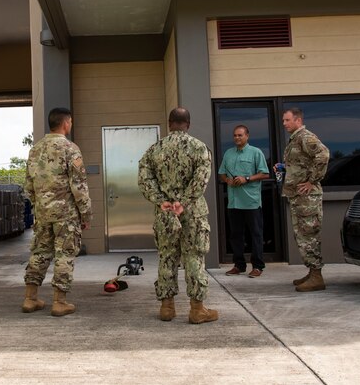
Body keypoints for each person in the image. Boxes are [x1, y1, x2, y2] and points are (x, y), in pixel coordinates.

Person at [138, 107, 218, 324]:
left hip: (164, 214)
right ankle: (197, 309)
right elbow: (201, 180)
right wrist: (183, 203)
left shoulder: (154, 149)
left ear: (169, 123)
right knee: (194, 256)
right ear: (188, 124)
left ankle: (167, 307)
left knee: (167, 256)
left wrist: (161, 200)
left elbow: (144, 179)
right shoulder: (199, 147)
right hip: (192, 213)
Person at [22, 107, 92, 317]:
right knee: (65, 255)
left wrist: (38, 206)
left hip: (43, 213)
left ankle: (30, 298)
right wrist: (85, 214)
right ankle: (59, 302)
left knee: (39, 253)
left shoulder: (35, 150)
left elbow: (28, 185)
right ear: (66, 123)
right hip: (66, 215)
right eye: (70, 122)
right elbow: (79, 186)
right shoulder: (70, 149)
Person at [281, 107, 330, 292]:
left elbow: (323, 154)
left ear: (298, 120)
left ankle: (317, 276)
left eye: (287, 120)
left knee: (309, 234)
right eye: (284, 120)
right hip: (299, 196)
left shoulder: (305, 137)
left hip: (308, 197)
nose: (284, 123)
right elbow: (300, 163)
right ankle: (312, 272)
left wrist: (312, 180)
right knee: (302, 235)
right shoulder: (295, 139)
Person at [218, 125, 270, 278]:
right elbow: (221, 173)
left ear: (247, 136)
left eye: (240, 135)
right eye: (235, 135)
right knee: (236, 235)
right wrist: (227, 180)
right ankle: (239, 265)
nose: (237, 138)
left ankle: (258, 266)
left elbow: (265, 174)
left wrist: (246, 179)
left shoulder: (256, 152)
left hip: (251, 202)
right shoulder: (228, 153)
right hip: (234, 202)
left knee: (256, 234)